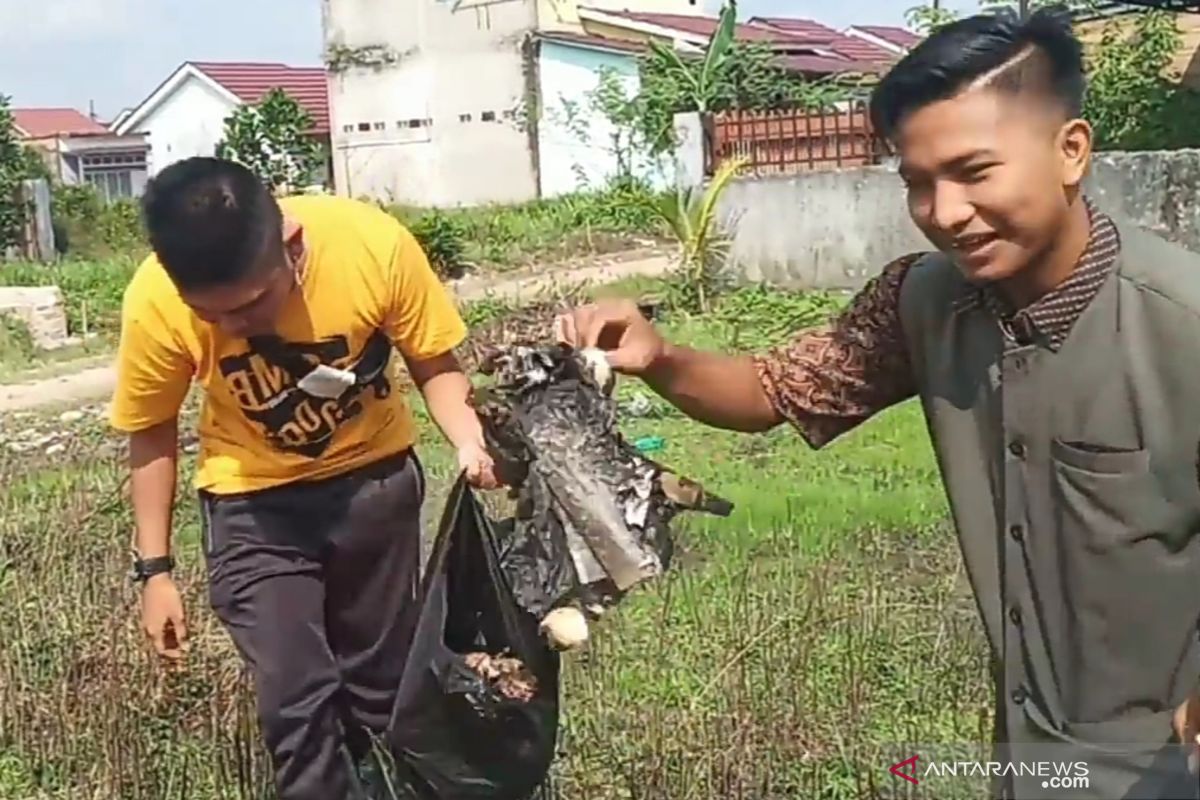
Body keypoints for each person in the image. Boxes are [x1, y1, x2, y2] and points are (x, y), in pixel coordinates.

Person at [558, 8, 1200, 800]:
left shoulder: (1185, 323)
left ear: (1071, 151)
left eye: (973, 172)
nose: (945, 212)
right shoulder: (925, 300)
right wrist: (660, 357)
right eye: (917, 184)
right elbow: (772, 388)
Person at [108, 157, 497, 800]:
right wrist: (155, 570)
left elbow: (434, 362)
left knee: (382, 688)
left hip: (374, 488)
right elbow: (150, 430)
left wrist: (469, 442)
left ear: (293, 245)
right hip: (251, 503)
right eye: (213, 315)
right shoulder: (154, 301)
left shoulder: (370, 246)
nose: (236, 326)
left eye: (255, 302)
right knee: (295, 696)